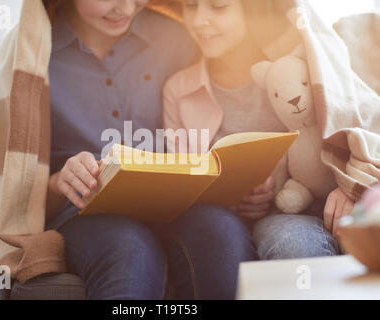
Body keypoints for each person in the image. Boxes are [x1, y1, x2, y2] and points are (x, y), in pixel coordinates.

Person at [45, 0, 257, 300]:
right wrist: (59, 182)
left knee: (221, 232)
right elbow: (14, 192)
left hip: (177, 205)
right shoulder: (34, 54)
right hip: (84, 214)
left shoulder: (180, 37)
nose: (128, 9)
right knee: (129, 249)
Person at [162, 0, 344, 261]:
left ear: (250, 9)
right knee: (217, 239)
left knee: (296, 246)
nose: (200, 20)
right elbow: (179, 182)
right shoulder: (177, 90)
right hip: (215, 219)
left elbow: (350, 131)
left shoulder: (295, 72)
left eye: (219, 6)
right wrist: (227, 196)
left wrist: (348, 188)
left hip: (291, 213)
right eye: (190, 6)